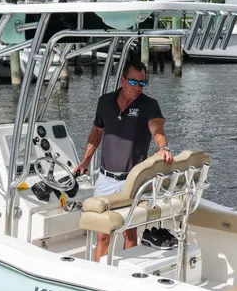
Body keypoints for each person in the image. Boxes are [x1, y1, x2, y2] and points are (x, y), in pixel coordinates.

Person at [73, 60, 173, 262]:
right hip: (105, 178)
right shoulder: (105, 102)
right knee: (102, 234)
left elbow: (157, 130)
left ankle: (127, 274)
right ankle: (99, 274)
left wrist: (163, 148)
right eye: (133, 82)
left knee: (129, 231)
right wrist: (84, 162)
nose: (137, 87)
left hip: (132, 182)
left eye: (142, 83)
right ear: (122, 80)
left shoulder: (149, 105)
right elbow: (96, 133)